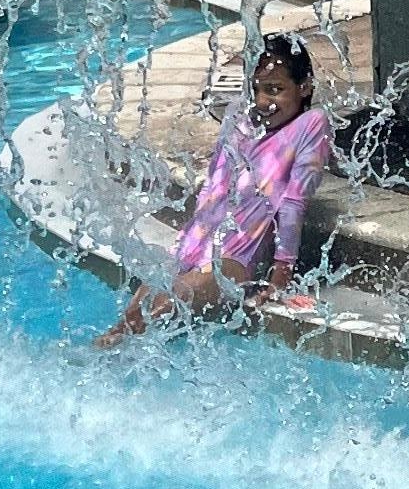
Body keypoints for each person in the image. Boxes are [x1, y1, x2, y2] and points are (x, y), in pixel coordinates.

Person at [99, 33, 333, 340]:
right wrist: (185, 243)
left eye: (275, 90)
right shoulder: (239, 119)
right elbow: (213, 187)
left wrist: (282, 271)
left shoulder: (311, 124)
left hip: (238, 255)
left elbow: (294, 201)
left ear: (305, 87)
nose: (262, 101)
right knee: (132, 316)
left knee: (158, 314)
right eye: (256, 89)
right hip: (194, 242)